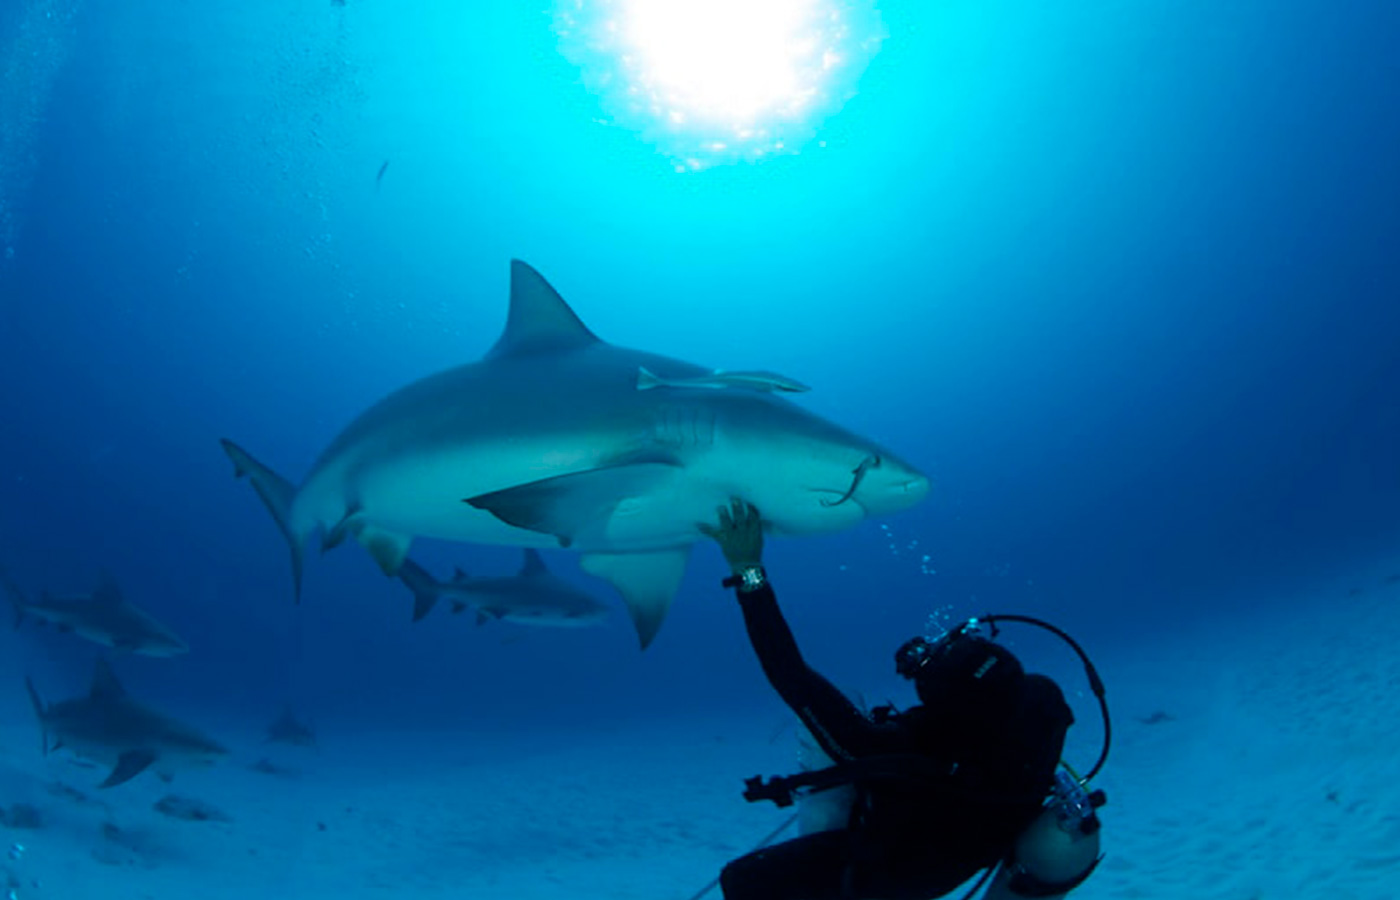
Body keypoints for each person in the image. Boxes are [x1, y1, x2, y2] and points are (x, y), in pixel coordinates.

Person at [700, 499, 1103, 900]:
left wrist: (747, 569)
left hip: (895, 877)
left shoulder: (901, 746)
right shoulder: (1042, 701)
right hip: (984, 847)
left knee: (741, 879)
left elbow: (789, 674)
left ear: (940, 700)